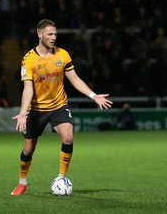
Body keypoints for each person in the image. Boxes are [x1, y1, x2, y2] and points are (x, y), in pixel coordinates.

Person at [10, 19, 113, 196]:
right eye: (50, 34)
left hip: (59, 106)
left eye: (55, 34)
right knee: (28, 149)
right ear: (39, 35)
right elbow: (28, 89)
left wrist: (93, 95)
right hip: (36, 110)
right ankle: (22, 182)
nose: (53, 37)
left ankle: (60, 178)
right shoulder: (29, 60)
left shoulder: (63, 55)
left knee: (68, 138)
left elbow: (75, 79)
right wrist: (22, 113)